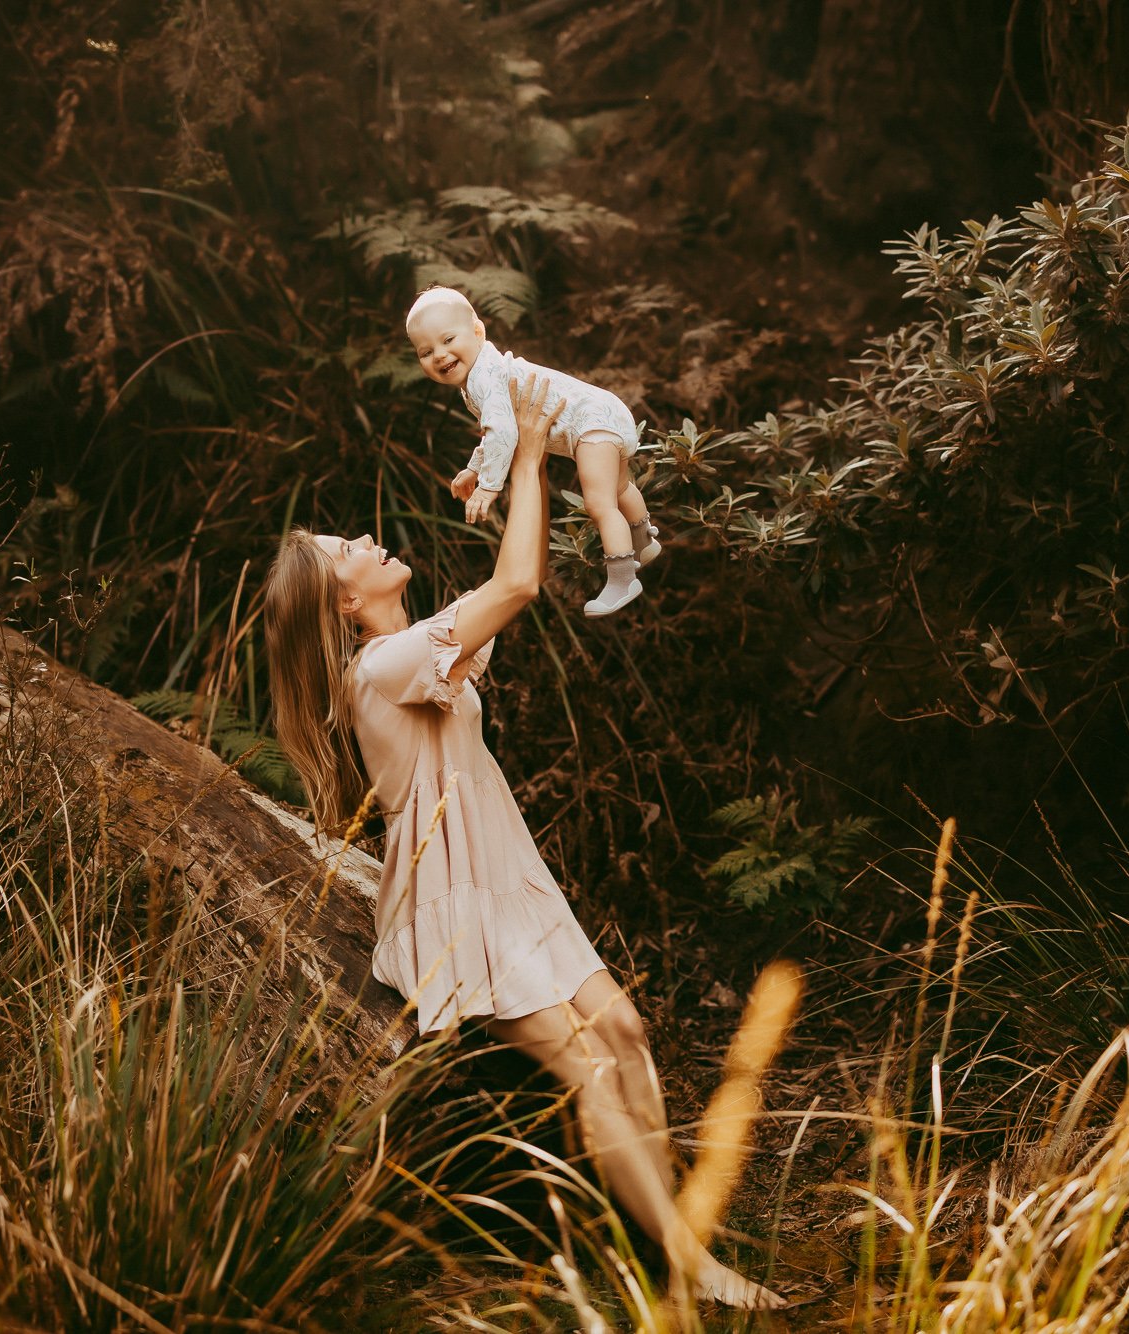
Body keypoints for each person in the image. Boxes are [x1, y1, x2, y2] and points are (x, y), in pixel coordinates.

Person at [262, 372, 783, 1309]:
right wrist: (539, 449)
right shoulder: (381, 666)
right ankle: (687, 1268)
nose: (374, 540)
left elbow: (501, 587)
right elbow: (520, 580)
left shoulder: (422, 644)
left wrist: (506, 466)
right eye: (354, 548)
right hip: (454, 907)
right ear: (344, 604)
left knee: (623, 1032)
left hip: (510, 881)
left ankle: (675, 1226)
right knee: (586, 1065)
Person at [405, 285, 661, 618]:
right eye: (426, 352)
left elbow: (504, 432)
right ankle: (643, 541)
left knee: (600, 502)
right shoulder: (482, 374)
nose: (439, 354)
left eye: (448, 340)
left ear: (477, 331)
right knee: (620, 486)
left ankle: (623, 579)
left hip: (592, 423)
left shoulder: (486, 377)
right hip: (605, 413)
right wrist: (474, 468)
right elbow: (498, 430)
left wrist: (488, 486)